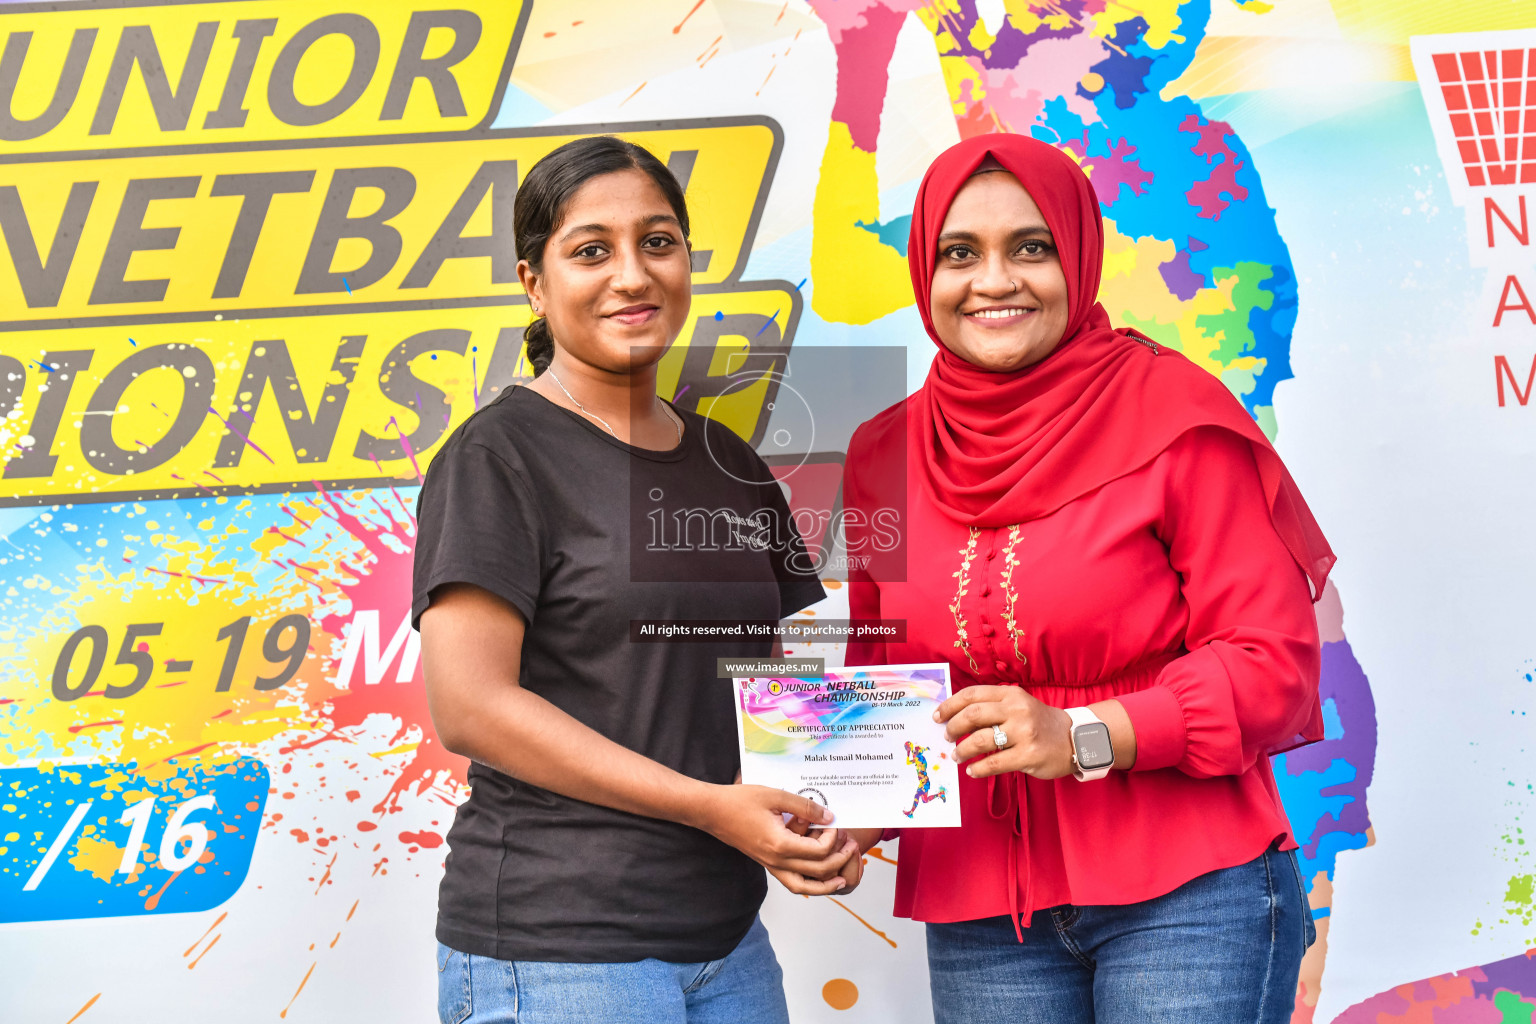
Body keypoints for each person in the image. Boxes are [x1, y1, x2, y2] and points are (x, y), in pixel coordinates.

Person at [836, 133, 1335, 1023]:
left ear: (1078, 251)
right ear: (924, 273)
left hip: (1190, 895)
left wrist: (1082, 735)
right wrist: (853, 803)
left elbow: (1274, 664)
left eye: (1031, 247)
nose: (994, 282)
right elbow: (886, 670)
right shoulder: (882, 451)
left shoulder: (1177, 416)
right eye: (960, 254)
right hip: (983, 909)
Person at [413, 136, 851, 1024]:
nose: (632, 274)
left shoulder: (726, 459)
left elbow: (773, 678)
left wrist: (842, 806)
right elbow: (470, 707)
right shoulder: (498, 455)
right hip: (560, 948)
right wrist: (710, 807)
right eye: (590, 250)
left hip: (725, 939)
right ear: (535, 283)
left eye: (658, 242)